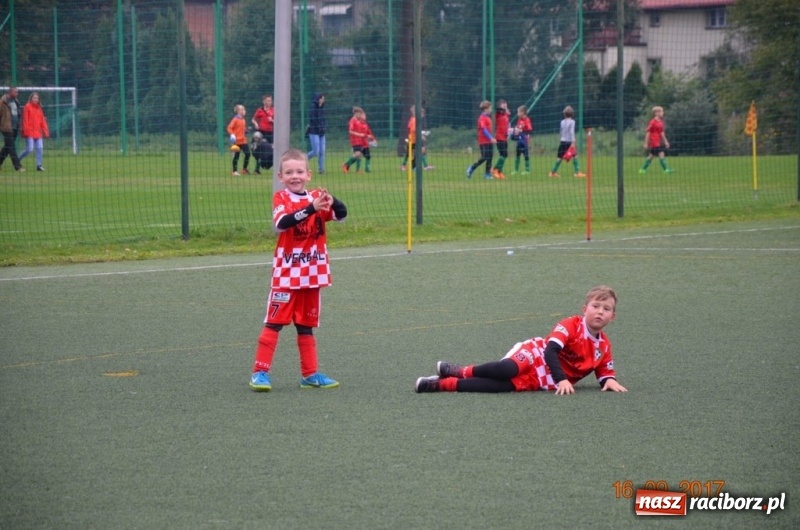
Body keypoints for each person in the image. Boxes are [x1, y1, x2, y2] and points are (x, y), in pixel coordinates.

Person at [249, 148, 348, 391]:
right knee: (274, 322)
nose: (295, 176)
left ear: (308, 174)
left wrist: (332, 200)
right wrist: (313, 208)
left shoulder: (316, 197)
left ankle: (310, 375)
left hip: (313, 273)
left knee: (306, 325)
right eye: (289, 172)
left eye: (299, 171)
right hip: (287, 274)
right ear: (281, 176)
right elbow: (282, 224)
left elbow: (342, 214)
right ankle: (260, 373)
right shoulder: (281, 198)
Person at [415, 285, 628, 395]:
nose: (600, 312)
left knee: (500, 388)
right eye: (595, 306)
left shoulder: (604, 347)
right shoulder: (570, 325)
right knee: (506, 370)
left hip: (543, 380)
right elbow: (550, 351)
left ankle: (441, 385)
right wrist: (563, 379)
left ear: (613, 316)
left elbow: (604, 373)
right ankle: (460, 371)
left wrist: (609, 380)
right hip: (535, 355)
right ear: (584, 309)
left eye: (606, 309)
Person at [548, 105, 586, 178]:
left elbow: (561, 131)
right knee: (575, 156)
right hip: (569, 142)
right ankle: (577, 173)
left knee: (559, 158)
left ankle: (552, 172)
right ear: (572, 114)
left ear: (564, 114)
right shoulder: (572, 122)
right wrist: (573, 141)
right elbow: (571, 131)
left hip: (562, 141)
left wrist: (561, 138)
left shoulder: (562, 122)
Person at [19, 92, 50, 172]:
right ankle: (17, 160)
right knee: (29, 149)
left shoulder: (39, 108)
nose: (35, 99)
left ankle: (39, 165)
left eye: (37, 98)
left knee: (40, 148)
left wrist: (45, 132)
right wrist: (25, 131)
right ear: (31, 98)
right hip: (29, 132)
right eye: (34, 98)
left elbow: (42, 121)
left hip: (38, 133)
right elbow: (25, 120)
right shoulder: (27, 107)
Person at [466, 100, 497, 180]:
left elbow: (489, 129)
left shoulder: (488, 118)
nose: (491, 110)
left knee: (490, 157)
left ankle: (487, 174)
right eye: (490, 108)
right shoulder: (482, 118)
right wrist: (491, 138)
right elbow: (484, 130)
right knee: (484, 157)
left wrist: (492, 138)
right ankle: (471, 168)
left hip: (489, 141)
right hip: (483, 141)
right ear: (486, 109)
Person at [639, 105, 674, 174]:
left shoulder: (661, 122)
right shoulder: (653, 122)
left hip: (658, 141)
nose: (663, 113)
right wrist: (646, 143)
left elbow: (661, 133)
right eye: (661, 111)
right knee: (661, 153)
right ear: (657, 113)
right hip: (654, 141)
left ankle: (642, 169)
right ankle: (666, 169)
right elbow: (648, 132)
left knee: (651, 156)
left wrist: (666, 142)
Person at [342, 106, 376, 174]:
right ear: (356, 113)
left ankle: (349, 167)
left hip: (359, 141)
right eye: (360, 114)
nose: (360, 115)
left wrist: (367, 136)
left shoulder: (358, 121)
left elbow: (363, 131)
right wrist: (359, 135)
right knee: (357, 154)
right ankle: (346, 164)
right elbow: (350, 131)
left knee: (358, 155)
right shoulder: (352, 121)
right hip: (355, 141)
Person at [401, 106, 433, 172]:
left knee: (420, 151)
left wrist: (422, 135)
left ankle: (425, 166)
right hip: (413, 140)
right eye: (422, 114)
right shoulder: (414, 120)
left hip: (416, 139)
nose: (423, 115)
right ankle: (409, 166)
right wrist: (422, 134)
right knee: (410, 153)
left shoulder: (414, 119)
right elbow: (414, 130)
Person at [0, 87, 24, 172]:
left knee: (7, 146)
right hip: (6, 128)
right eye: (15, 92)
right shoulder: (2, 102)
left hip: (15, 127)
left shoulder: (16, 101)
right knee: (11, 147)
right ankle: (18, 166)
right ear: (10, 92)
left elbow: (18, 113)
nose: (17, 93)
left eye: (17, 92)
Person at [227, 104, 251, 176]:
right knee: (236, 156)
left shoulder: (243, 120)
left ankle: (244, 169)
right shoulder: (235, 119)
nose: (244, 111)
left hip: (243, 141)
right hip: (236, 141)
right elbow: (229, 128)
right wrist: (232, 134)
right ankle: (234, 171)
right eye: (243, 109)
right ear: (239, 111)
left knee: (248, 154)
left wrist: (246, 131)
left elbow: (241, 130)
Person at [306, 92, 327, 174]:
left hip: (322, 133)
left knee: (322, 151)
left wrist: (324, 126)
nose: (323, 100)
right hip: (314, 132)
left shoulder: (322, 108)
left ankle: (321, 169)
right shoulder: (313, 107)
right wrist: (319, 126)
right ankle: (303, 158)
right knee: (316, 151)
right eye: (322, 98)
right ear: (318, 99)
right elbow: (313, 119)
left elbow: (324, 119)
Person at [490, 99, 510, 179]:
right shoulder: (498, 114)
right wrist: (502, 109)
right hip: (499, 137)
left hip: (505, 138)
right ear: (499, 106)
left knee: (504, 155)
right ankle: (495, 169)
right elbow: (498, 110)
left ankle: (499, 172)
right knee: (504, 154)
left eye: (506, 105)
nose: (505, 106)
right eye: (503, 105)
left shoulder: (505, 115)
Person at [511, 105, 533, 175]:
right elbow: (517, 128)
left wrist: (523, 133)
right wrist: (515, 133)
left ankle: (527, 170)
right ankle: (516, 170)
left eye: (518, 112)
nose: (517, 114)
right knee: (517, 154)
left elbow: (529, 130)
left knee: (525, 155)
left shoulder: (527, 120)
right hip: (519, 140)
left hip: (524, 141)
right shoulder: (519, 120)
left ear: (523, 112)